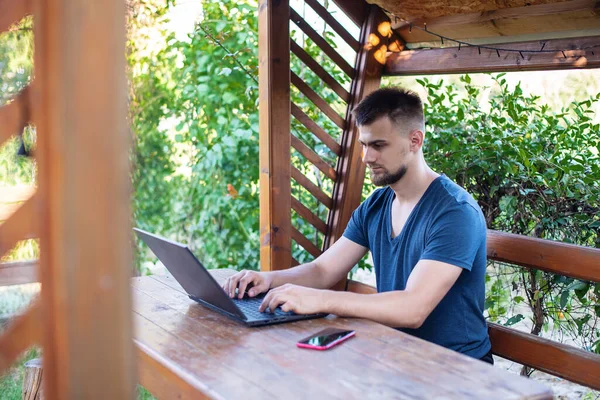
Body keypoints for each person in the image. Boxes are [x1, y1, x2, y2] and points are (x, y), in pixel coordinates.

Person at [223, 87, 492, 364]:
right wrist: (269, 279)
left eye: (378, 145)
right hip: (399, 356)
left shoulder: (455, 212)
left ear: (415, 140)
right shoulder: (377, 204)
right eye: (364, 145)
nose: (367, 158)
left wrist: (322, 300)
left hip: (456, 368)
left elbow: (414, 308)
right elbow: (323, 269)